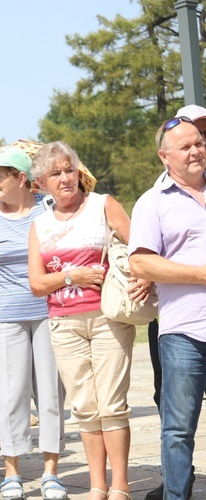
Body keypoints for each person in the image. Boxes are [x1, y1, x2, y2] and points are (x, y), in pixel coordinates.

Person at [28, 141, 151, 500]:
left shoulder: (103, 204)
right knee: (84, 406)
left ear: (78, 171)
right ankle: (97, 485)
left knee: (112, 404)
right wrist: (71, 277)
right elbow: (37, 284)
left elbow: (141, 248)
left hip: (108, 316)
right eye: (55, 174)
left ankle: (120, 486)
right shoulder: (40, 224)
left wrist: (145, 275)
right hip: (64, 324)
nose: (65, 178)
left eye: (69, 169)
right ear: (41, 184)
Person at [0, 147, 66, 499]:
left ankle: (51, 471)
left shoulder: (48, 209)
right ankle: (12, 472)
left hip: (50, 313)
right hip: (5, 317)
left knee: (52, 394)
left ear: (21, 178)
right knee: (10, 395)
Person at [129, 115, 206, 500]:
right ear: (164, 156)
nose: (196, 151)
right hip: (184, 332)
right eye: (185, 146)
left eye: (199, 143)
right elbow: (141, 263)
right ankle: (177, 496)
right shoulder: (152, 202)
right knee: (177, 428)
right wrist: (201, 274)